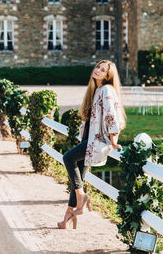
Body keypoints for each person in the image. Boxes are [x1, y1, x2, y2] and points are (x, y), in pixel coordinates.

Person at [57, 60, 127, 229]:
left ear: (108, 76)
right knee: (78, 177)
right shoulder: (96, 90)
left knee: (68, 158)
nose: (98, 71)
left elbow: (112, 114)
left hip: (95, 141)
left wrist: (113, 139)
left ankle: (81, 197)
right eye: (98, 67)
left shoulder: (106, 89)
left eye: (103, 70)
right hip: (88, 140)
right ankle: (69, 215)